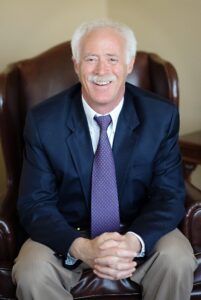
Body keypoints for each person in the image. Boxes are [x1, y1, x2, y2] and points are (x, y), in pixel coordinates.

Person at [12, 20, 197, 300]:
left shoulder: (160, 117)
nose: (101, 70)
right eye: (91, 59)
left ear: (129, 63)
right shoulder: (43, 122)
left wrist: (132, 243)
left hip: (138, 228)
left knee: (178, 258)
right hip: (68, 232)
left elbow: (169, 195)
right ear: (76, 64)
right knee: (30, 271)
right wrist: (81, 247)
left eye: (112, 59)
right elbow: (34, 203)